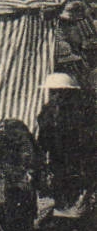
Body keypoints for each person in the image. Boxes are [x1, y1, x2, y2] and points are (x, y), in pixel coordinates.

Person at [36, 72, 96, 212]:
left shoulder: (82, 112)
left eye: (59, 93)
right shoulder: (47, 111)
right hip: (57, 156)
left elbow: (88, 138)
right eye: (53, 92)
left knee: (77, 188)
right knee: (60, 184)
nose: (55, 96)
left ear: (68, 93)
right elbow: (44, 137)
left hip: (77, 157)